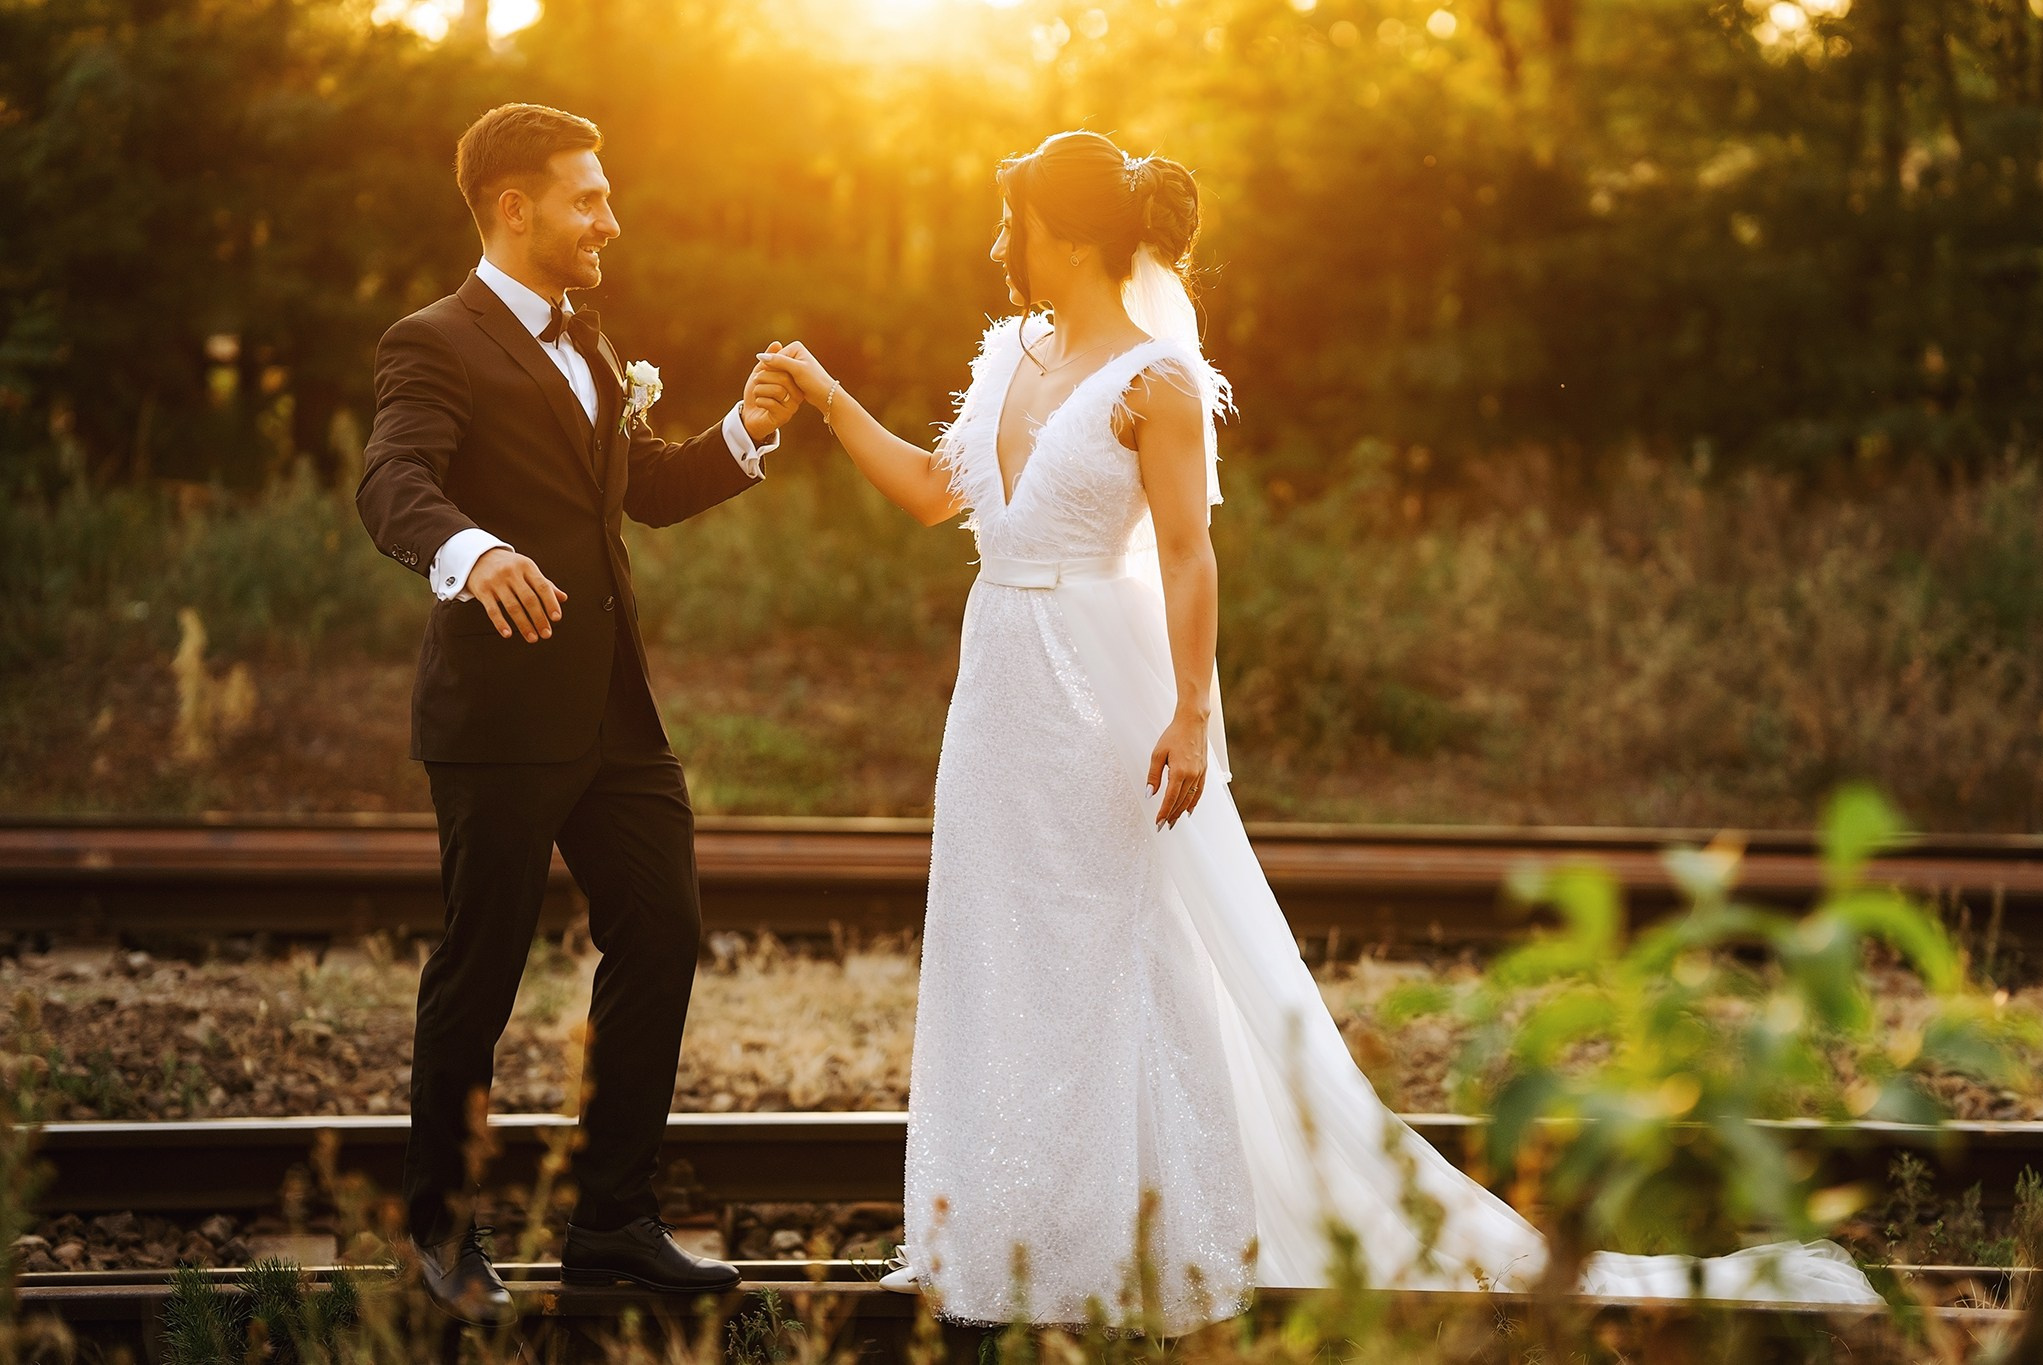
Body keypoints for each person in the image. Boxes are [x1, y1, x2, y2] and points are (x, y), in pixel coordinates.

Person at [750, 130, 1883, 1335]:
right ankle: (989, 1228)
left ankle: (1133, 1237)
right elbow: (935, 495)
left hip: (1107, 689)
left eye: (1012, 222)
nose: (997, 246)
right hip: (997, 696)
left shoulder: (1156, 384)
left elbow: (1188, 556)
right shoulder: (1004, 363)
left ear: (1066, 235)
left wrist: (1191, 715)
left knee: (1117, 945)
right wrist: (822, 398)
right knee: (996, 944)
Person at [356, 102, 797, 1325]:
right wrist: (469, 550)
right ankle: (440, 1235)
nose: (612, 218)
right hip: (497, 719)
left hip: (615, 715)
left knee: (662, 933)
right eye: (588, 197)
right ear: (515, 207)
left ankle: (609, 1222)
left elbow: (637, 491)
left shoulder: (589, 344)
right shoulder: (433, 342)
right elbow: (394, 480)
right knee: (480, 965)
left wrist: (743, 435)